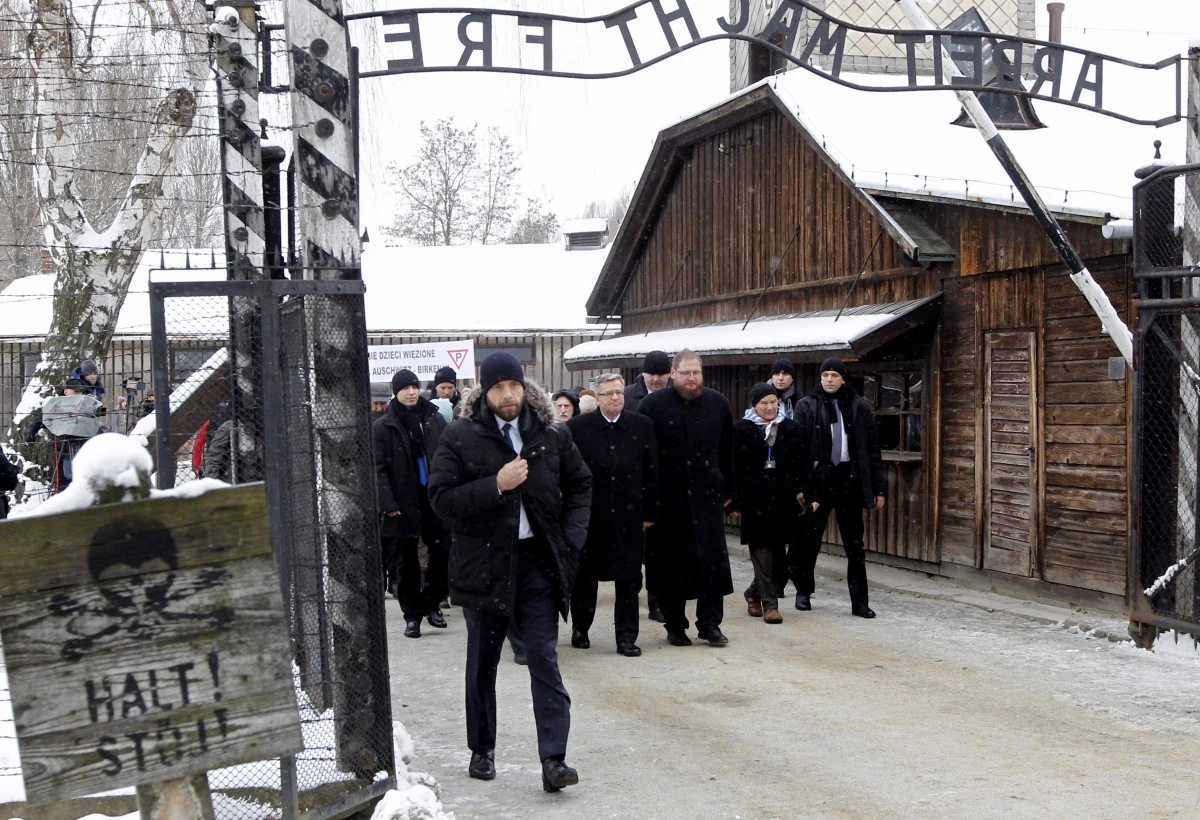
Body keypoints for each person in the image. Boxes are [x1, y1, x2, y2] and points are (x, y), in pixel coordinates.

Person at [428, 351, 591, 792]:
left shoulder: (549, 434)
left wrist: (571, 540)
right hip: (484, 566)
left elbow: (580, 483)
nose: (507, 395)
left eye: (513, 386)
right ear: (486, 390)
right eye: (498, 387)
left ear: (524, 387)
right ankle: (483, 749)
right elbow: (441, 499)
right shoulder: (461, 435)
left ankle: (554, 759)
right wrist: (495, 485)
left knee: (543, 656)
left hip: (537, 563)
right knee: (483, 662)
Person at [637, 349, 736, 647]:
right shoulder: (652, 405)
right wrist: (647, 500)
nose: (692, 379)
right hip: (668, 501)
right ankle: (675, 625)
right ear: (673, 374)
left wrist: (731, 491)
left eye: (696, 373)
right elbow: (644, 456)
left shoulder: (718, 404)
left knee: (711, 565)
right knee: (672, 566)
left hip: (707, 498)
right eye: (685, 373)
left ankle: (710, 624)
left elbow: (728, 451)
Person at [566, 374, 659, 657]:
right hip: (591, 514)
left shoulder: (641, 426)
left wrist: (650, 512)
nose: (616, 398)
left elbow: (652, 470)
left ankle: (626, 637)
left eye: (619, 392)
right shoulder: (578, 427)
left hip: (629, 515)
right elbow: (568, 473)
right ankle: (580, 628)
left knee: (629, 578)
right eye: (608, 394)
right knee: (585, 576)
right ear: (597, 398)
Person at [794, 358, 886, 619]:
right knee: (809, 541)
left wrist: (878, 488)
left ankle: (859, 602)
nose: (829, 379)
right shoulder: (807, 405)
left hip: (849, 480)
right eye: (825, 375)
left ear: (843, 378)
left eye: (834, 375)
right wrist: (801, 487)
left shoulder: (858, 407)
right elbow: (798, 450)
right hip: (818, 481)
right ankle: (803, 591)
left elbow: (872, 450)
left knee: (855, 546)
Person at [374, 369, 449, 638]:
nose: (411, 392)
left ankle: (432, 604)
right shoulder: (384, 426)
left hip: (433, 498)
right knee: (405, 562)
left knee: (442, 554)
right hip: (402, 501)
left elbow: (446, 456)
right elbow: (378, 468)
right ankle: (412, 615)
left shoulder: (434, 419)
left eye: (414, 387)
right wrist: (388, 502)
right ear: (396, 391)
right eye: (405, 388)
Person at [732, 383, 804, 624]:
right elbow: (732, 468)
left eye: (773, 402)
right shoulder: (741, 430)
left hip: (783, 500)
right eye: (764, 403)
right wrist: (732, 501)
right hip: (754, 500)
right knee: (762, 552)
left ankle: (752, 593)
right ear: (754, 405)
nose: (770, 407)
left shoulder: (791, 428)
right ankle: (770, 605)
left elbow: (802, 464)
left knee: (779, 558)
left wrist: (807, 493)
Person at [624, 350, 671, 623]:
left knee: (658, 548)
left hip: (665, 481)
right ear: (643, 373)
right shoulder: (629, 397)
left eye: (661, 374)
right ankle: (629, 598)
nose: (655, 379)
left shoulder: (676, 396)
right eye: (651, 373)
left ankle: (657, 602)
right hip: (634, 481)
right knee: (634, 547)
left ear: (669, 374)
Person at [25, 378, 105, 494]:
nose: (79, 394)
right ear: (66, 391)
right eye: (75, 391)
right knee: (63, 480)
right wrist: (31, 431)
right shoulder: (55, 405)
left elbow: (98, 420)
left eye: (80, 392)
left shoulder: (88, 404)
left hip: (82, 448)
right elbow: (42, 418)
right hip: (60, 449)